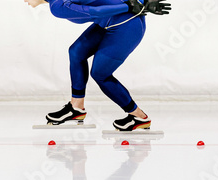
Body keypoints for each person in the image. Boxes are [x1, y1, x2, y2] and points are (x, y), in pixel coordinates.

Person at [25, 0, 171, 131]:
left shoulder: (57, 7)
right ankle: (76, 107)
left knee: (100, 74)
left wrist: (133, 5)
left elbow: (95, 11)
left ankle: (139, 117)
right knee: (76, 52)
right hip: (111, 20)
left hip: (127, 25)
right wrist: (139, 3)